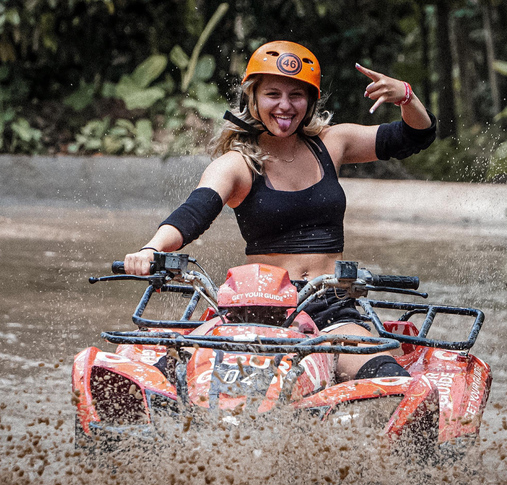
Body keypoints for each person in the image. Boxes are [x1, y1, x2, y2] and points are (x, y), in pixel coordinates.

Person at [124, 41, 436, 381]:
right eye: (273, 94)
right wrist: (151, 248)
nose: (285, 106)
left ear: (311, 101)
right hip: (256, 306)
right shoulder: (236, 164)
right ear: (253, 98)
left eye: (296, 96)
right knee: (174, 373)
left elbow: (415, 136)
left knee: (391, 381)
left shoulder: (333, 143)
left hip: (330, 305)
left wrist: (406, 96)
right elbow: (193, 213)